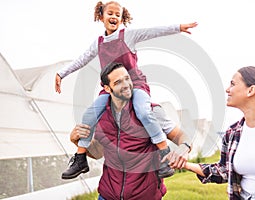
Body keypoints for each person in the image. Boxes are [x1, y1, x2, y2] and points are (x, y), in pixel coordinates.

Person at [55, 0, 197, 179]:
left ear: (122, 19)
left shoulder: (128, 36)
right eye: (110, 13)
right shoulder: (98, 43)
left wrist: (178, 27)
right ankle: (80, 159)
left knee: (143, 111)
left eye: (118, 15)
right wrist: (61, 73)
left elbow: (153, 31)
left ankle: (163, 153)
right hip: (112, 90)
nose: (114, 17)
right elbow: (81, 60)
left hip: (135, 86)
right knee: (89, 115)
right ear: (101, 16)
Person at [69, 62, 192, 200]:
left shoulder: (151, 112)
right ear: (107, 88)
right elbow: (99, 152)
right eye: (118, 82)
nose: (126, 84)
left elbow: (181, 136)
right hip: (108, 195)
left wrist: (184, 148)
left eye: (127, 78)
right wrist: (76, 141)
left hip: (145, 196)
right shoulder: (102, 117)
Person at [183, 66, 255, 199]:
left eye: (232, 84)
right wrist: (186, 164)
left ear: (251, 90)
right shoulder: (232, 133)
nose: (227, 89)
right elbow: (224, 170)